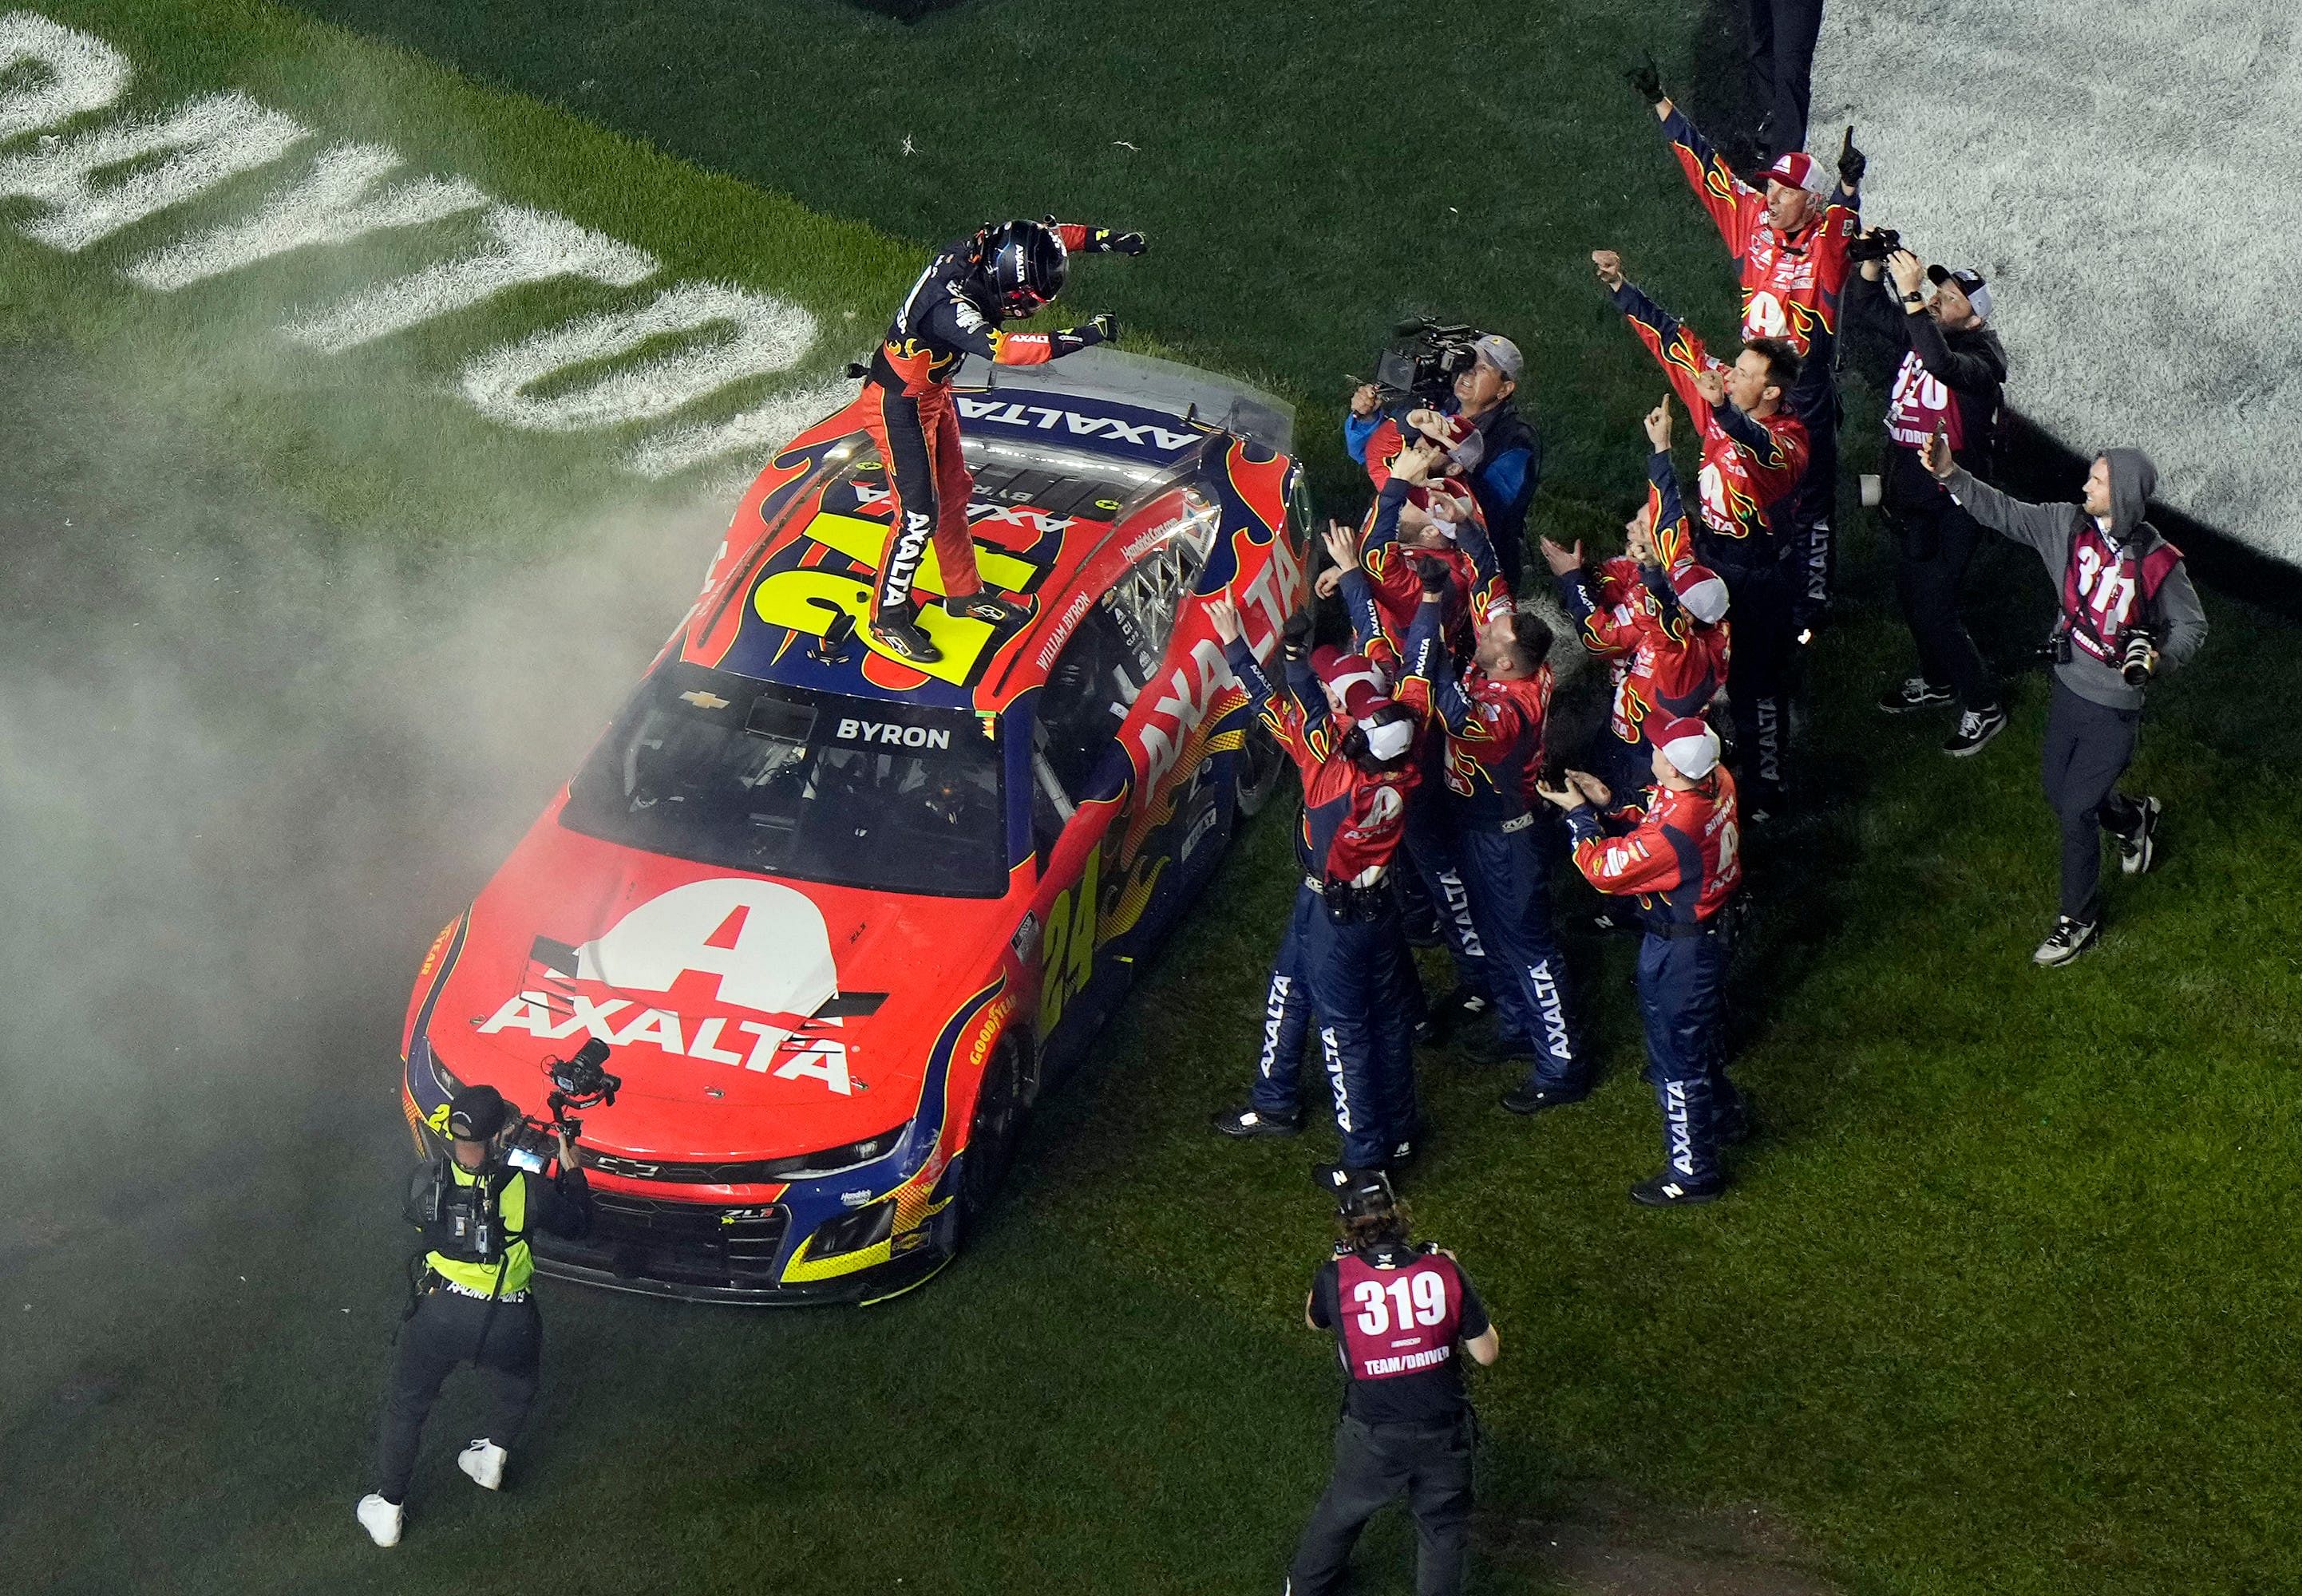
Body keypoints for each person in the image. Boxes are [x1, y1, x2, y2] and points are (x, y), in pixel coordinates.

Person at [1920, 432, 2208, 965]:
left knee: (2075, 810)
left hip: (2115, 707)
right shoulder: (2065, 525)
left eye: (2096, 481)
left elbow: (2192, 626)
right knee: (2060, 793)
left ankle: (2077, 921)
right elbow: (2003, 512)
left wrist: (2159, 657)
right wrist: (1950, 475)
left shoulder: (2158, 562)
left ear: (2120, 495)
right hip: (2069, 687)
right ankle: (2133, 820)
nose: (2085, 485)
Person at [1625, 58, 1861, 629]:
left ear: (1812, 200)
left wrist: (1851, 187)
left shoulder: (1827, 240)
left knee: (1810, 503)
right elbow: (1705, 167)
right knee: (1737, 475)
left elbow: (1844, 225)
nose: (1773, 198)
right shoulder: (1752, 218)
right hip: (1749, 380)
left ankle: (1808, 606)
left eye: (1786, 192)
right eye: (1771, 189)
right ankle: (1730, 575)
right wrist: (1661, 100)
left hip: (1800, 395)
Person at [864, 217, 1144, 662]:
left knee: (954, 496)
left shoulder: (984, 250)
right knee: (917, 516)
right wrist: (1084, 335)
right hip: (898, 408)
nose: (1027, 305)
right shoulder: (949, 309)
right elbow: (1007, 350)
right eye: (1026, 297)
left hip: (931, 395)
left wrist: (1103, 239)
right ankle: (888, 619)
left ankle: (964, 594)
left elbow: (1045, 238)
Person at [1211, 600, 1422, 1175]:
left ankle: (1365, 1160)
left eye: (1339, 697)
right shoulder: (1406, 757)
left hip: (1336, 917)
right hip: (1372, 904)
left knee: (1346, 1037)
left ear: (1352, 726)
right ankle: (1291, 1104)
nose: (1330, 697)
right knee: (1327, 998)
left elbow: (1276, 706)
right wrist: (1301, 660)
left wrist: (1238, 647)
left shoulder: (1328, 766)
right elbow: (1310, 705)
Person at [1594, 247, 1806, 819]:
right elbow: (1676, 341)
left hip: (1759, 572)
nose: (1728, 373)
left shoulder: (1789, 443)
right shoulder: (1722, 389)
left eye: (1744, 374)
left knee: (1759, 682)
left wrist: (1726, 414)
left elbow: (1758, 451)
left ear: (1771, 394)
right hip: (1711, 554)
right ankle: (1692, 769)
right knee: (1693, 667)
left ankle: (1766, 788)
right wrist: (1623, 288)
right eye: (1733, 365)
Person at [1386, 547, 1588, 1112]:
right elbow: (1491, 599)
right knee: (1496, 934)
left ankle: (1563, 1065)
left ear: (1507, 665)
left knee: (1529, 948)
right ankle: (1519, 1028)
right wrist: (1471, 533)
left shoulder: (1507, 715)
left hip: (1507, 837)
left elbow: (1448, 706)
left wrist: (1436, 656)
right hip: (1481, 828)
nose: (1481, 635)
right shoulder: (1521, 662)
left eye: (1490, 642)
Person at [358, 1084, 593, 1547]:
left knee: (407, 1406)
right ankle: (492, 1458)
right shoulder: (527, 1190)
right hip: (510, 1319)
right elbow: (580, 1225)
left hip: (438, 1314)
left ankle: (387, 1509)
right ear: (498, 1139)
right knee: (520, 1381)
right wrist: (573, 1173)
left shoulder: (423, 1178)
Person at [1537, 717, 1746, 1205]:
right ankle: (1724, 1114)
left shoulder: (1675, 830)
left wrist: (1579, 817)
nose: (1652, 749)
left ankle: (1692, 1173)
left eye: (1659, 748)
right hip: (1708, 931)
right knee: (1698, 1039)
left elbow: (1603, 872)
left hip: (1681, 949)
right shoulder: (1716, 780)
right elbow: (1659, 819)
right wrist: (1609, 804)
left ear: (1672, 769)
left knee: (1676, 1061)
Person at [1284, 1167, 1497, 1596]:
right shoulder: (1442, 1271)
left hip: (1374, 1433)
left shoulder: (1336, 1277)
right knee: (1442, 1527)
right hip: (1443, 1430)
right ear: (1399, 1215)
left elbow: (1313, 1320)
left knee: (1343, 1509)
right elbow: (1486, 1353)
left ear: (1347, 1224)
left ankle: (1305, 1589)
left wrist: (1336, 1264)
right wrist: (1453, 1274)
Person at [1851, 243, 2011, 755]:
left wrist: (1915, 296)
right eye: (1939, 291)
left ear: (1977, 318)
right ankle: (1940, 682)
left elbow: (1942, 366)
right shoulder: (1930, 331)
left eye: (1952, 297)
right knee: (1910, 595)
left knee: (1937, 608)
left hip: (1955, 503)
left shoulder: (1982, 359)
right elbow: (1867, 309)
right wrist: (1872, 266)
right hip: (1912, 495)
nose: (1940, 300)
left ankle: (1984, 706)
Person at [1543, 400, 1732, 808]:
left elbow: (1599, 639)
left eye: (1641, 526)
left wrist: (1572, 578)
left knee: (1624, 801)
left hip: (1645, 744)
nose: (1631, 525)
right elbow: (1670, 523)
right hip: (1653, 718)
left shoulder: (1672, 639)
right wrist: (1661, 449)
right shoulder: (1700, 594)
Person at [1347, 334, 1542, 588]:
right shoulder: (1438, 403)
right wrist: (1367, 420)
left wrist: (1426, 478)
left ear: (1504, 389)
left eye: (1482, 368)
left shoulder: (1517, 443)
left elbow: (1487, 513)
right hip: (1408, 533)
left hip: (1472, 562)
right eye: (1467, 363)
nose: (1468, 374)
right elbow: (1369, 453)